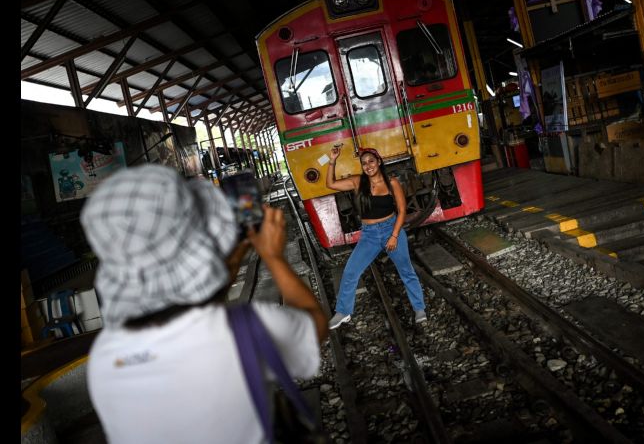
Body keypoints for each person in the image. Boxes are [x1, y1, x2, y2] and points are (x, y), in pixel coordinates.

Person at [80, 164, 328, 444]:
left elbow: (190, 314)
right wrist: (273, 257)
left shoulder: (103, 358)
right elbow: (316, 324)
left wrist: (228, 265)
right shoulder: (247, 328)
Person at [326, 145, 427, 329]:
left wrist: (395, 236)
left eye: (371, 161)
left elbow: (402, 211)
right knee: (350, 271)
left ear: (379, 162)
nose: (368, 166)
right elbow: (331, 184)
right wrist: (332, 160)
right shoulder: (358, 182)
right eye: (364, 163)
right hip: (370, 235)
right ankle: (343, 312)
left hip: (391, 229)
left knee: (406, 271)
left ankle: (419, 309)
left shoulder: (392, 182)